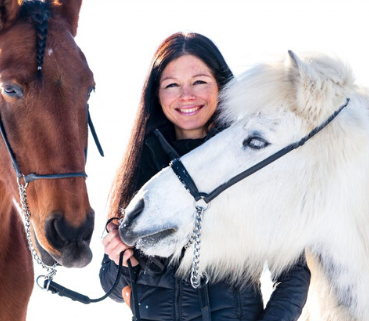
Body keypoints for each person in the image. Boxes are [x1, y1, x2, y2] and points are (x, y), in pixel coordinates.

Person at [99, 32, 310, 321]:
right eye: (172, 85)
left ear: (221, 86)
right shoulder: (143, 167)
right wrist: (118, 257)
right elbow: (111, 287)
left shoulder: (253, 165)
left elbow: (293, 274)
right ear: (156, 95)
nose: (187, 96)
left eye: (199, 82)